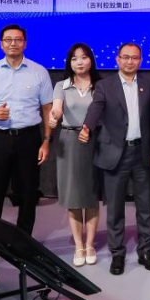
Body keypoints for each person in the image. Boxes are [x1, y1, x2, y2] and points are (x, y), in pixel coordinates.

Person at [80, 42, 150, 275]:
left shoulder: (149, 85)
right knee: (115, 208)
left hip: (142, 152)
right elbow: (96, 108)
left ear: (140, 60)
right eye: (125, 57)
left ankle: (146, 251)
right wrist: (87, 127)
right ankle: (117, 253)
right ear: (117, 59)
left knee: (145, 207)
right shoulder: (105, 85)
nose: (129, 61)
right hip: (115, 153)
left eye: (134, 57)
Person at [0, 24, 52, 235]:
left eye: (18, 39)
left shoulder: (39, 71)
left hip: (29, 138)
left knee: (28, 192)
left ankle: (24, 240)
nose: (13, 43)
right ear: (1, 44)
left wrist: (46, 140)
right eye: (8, 40)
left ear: (25, 43)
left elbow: (47, 108)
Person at [49, 43, 102, 267]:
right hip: (69, 141)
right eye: (74, 58)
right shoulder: (61, 85)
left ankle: (90, 245)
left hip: (93, 141)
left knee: (90, 196)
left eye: (84, 57)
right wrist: (54, 117)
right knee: (73, 196)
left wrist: (90, 129)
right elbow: (57, 108)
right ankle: (79, 245)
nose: (79, 62)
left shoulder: (100, 86)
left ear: (91, 60)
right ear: (69, 63)